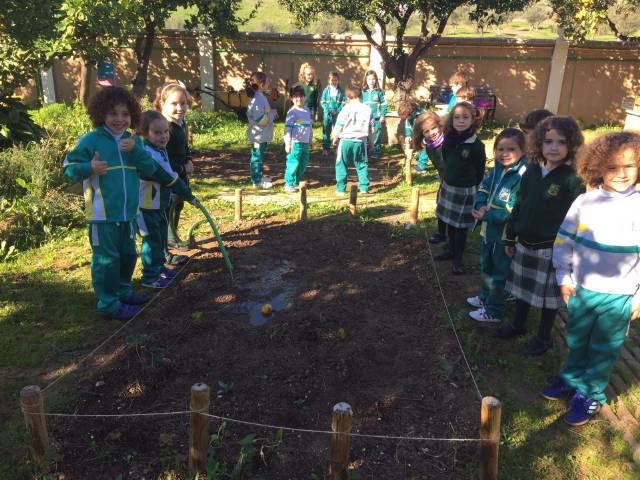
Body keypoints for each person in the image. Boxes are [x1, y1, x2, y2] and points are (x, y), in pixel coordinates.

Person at [62, 87, 189, 319]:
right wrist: (89, 167)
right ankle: (109, 304)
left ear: (132, 116)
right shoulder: (91, 140)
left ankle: (123, 291)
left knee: (128, 256)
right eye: (113, 113)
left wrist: (135, 152)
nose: (119, 119)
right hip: (103, 215)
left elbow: (149, 168)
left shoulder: (133, 141)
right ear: (101, 113)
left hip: (129, 213)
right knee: (107, 261)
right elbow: (68, 170)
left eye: (125, 114)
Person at [541, 131, 640, 426]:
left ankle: (591, 393)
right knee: (577, 338)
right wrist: (564, 276)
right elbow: (564, 241)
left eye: (629, 166)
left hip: (619, 295)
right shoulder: (585, 202)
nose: (621, 173)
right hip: (582, 290)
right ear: (597, 167)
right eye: (612, 167)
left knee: (604, 347)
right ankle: (571, 378)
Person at [495, 116, 584, 357]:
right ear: (538, 143)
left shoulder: (572, 179)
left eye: (561, 142)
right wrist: (510, 235)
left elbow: (577, 218)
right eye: (548, 141)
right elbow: (519, 204)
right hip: (525, 243)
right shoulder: (532, 171)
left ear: (572, 145)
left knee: (549, 298)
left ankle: (544, 338)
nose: (554, 147)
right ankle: (518, 324)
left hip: (552, 248)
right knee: (522, 288)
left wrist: (572, 250)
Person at [467, 128, 528, 323]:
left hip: (504, 235)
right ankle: (485, 298)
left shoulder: (522, 175)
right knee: (486, 266)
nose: (505, 154)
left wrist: (488, 215)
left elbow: (513, 209)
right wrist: (479, 204)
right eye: (500, 149)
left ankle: (494, 310)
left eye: (511, 149)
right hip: (488, 230)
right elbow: (484, 188)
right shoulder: (496, 169)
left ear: (523, 151)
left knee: (500, 273)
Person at [137, 111, 196, 289]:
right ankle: (150, 276)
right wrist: (188, 195)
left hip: (158, 205)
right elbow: (169, 177)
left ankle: (160, 267)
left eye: (165, 132)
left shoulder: (159, 150)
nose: (163, 136)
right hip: (146, 206)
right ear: (145, 133)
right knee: (152, 241)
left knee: (161, 237)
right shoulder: (148, 154)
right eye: (157, 132)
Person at [434, 101, 486, 274]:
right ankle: (450, 250)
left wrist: (473, 185)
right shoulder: (448, 140)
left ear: (473, 120)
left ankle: (458, 259)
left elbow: (480, 169)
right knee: (450, 222)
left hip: (465, 191)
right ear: (451, 120)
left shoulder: (476, 145)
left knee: (460, 227)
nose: (461, 121)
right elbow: (446, 160)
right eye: (457, 117)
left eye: (465, 117)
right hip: (449, 187)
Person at [153, 82, 192, 264]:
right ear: (162, 104)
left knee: (177, 205)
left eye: (183, 103)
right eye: (174, 104)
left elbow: (185, 146)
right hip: (168, 178)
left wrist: (188, 159)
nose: (180, 108)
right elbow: (164, 158)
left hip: (179, 174)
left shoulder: (180, 123)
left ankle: (171, 236)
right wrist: (182, 168)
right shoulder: (164, 128)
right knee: (167, 209)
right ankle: (167, 243)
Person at [412, 112, 447, 247]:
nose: (432, 133)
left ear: (440, 126)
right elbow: (439, 165)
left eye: (433, 128)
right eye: (426, 131)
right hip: (444, 179)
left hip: (456, 181)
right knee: (441, 204)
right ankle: (441, 233)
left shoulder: (447, 143)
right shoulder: (430, 146)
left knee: (451, 210)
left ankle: (453, 238)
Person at [332, 83, 373, 196]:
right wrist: (371, 140)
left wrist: (335, 137)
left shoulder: (346, 108)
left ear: (348, 97)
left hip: (346, 140)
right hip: (360, 141)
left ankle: (340, 189)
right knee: (361, 164)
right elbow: (371, 127)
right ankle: (364, 188)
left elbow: (339, 124)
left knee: (341, 163)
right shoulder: (368, 109)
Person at [246, 71, 275, 190]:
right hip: (258, 135)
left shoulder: (260, 97)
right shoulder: (258, 99)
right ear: (262, 85)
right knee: (257, 157)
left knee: (259, 156)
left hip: (261, 135)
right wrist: (272, 115)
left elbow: (263, 113)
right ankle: (257, 181)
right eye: (267, 82)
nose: (269, 84)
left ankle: (259, 176)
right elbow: (260, 119)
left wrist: (270, 112)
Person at [283, 86, 313, 193]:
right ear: (291, 98)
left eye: (301, 96)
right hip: (295, 144)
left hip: (305, 143)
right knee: (293, 164)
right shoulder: (292, 112)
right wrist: (288, 143)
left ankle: (296, 181)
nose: (299, 99)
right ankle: (288, 184)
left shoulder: (307, 110)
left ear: (304, 97)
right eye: (296, 96)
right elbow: (287, 129)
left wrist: (310, 139)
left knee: (303, 163)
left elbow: (309, 127)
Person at [361, 70, 387, 161]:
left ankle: (375, 153)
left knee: (376, 136)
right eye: (369, 79)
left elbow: (384, 104)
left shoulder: (380, 91)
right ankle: (365, 153)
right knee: (365, 135)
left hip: (376, 118)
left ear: (376, 80)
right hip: (365, 118)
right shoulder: (363, 92)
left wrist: (382, 115)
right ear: (366, 80)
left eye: (373, 79)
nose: (371, 81)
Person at [397, 101, 428, 174]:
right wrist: (408, 135)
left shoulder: (422, 115)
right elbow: (408, 125)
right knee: (419, 148)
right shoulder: (409, 116)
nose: (406, 119)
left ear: (411, 112)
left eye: (407, 117)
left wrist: (424, 137)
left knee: (424, 149)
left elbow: (426, 126)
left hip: (425, 133)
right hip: (418, 134)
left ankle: (421, 167)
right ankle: (419, 163)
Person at [320, 71, 346, 156]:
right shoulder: (326, 90)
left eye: (335, 80)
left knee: (338, 131)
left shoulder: (341, 91)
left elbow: (343, 102)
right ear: (329, 80)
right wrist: (328, 110)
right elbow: (322, 102)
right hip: (327, 115)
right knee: (326, 131)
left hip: (337, 115)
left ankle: (338, 148)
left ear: (338, 81)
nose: (334, 82)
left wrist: (337, 110)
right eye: (332, 80)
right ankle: (326, 148)